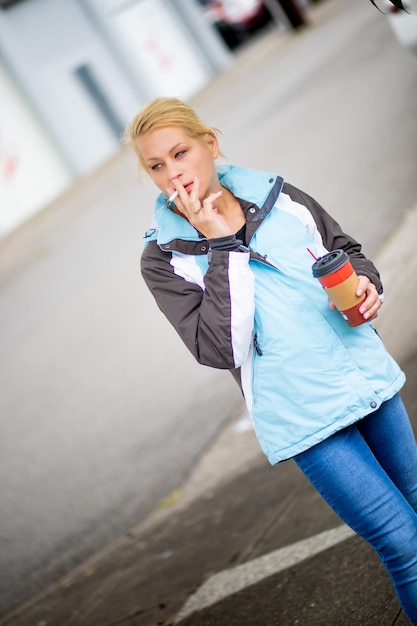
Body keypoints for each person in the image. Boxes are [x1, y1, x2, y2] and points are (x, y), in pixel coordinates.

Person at [124, 97, 417, 623]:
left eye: (180, 153)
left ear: (210, 145)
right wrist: (220, 247)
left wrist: (367, 283)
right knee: (403, 545)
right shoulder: (163, 257)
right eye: (156, 165)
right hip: (304, 415)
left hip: (363, 376)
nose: (174, 174)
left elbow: (343, 247)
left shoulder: (276, 195)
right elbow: (218, 349)